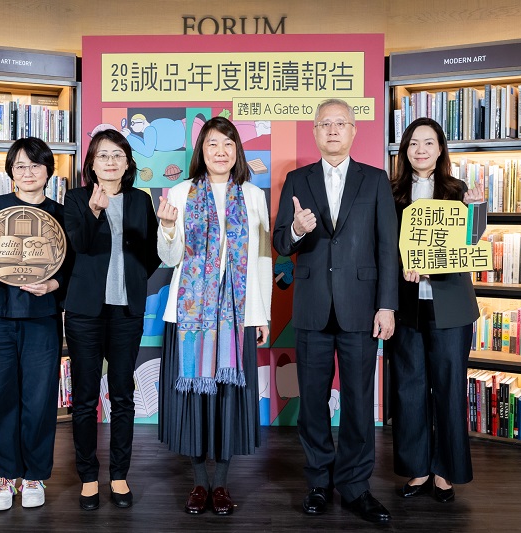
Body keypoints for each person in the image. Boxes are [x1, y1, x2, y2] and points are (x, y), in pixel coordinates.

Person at [272, 98, 399, 524]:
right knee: (312, 401)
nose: (332, 130)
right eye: (324, 123)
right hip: (312, 308)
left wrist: (386, 305)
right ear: (314, 131)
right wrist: (296, 229)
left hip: (361, 308)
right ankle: (318, 482)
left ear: (353, 130)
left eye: (340, 123)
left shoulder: (375, 180)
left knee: (360, 402)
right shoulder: (297, 180)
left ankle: (356, 486)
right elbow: (280, 241)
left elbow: (388, 247)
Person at [156, 116, 271, 516]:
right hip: (189, 318)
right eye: (212, 144)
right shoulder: (181, 192)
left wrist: (262, 315)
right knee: (193, 401)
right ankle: (198, 484)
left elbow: (261, 258)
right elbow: (170, 257)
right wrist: (168, 228)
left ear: (237, 150)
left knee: (227, 402)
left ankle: (220, 483)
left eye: (228, 144)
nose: (220, 151)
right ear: (201, 151)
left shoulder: (253, 196)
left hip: (237, 315)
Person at [0, 137, 68, 511]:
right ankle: (4, 475)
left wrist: (53, 284)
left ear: (48, 171)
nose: (28, 172)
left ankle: (34, 475)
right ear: (11, 172)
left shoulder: (61, 213)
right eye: (20, 165)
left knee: (39, 399)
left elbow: (71, 267)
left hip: (40, 317)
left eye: (35, 165)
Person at [63, 128, 160, 511]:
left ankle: (119, 475)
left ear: (127, 163)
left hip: (126, 312)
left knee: (122, 396)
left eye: (118, 154)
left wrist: (132, 279)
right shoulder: (76, 199)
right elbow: (79, 246)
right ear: (91, 163)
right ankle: (88, 477)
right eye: (103, 155)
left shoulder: (140, 200)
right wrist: (94, 211)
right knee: (85, 399)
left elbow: (153, 253)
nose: (110, 161)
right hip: (85, 313)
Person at [389, 117, 484, 503]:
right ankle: (418, 468)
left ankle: (446, 471)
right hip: (405, 305)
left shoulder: (458, 190)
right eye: (413, 143)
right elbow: (384, 245)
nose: (421, 150)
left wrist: (477, 210)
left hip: (450, 305)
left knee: (449, 388)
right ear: (405, 150)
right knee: (408, 388)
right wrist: (404, 265)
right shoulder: (391, 192)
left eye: (429, 142)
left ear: (441, 148)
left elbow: (471, 241)